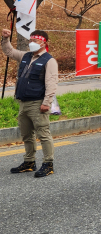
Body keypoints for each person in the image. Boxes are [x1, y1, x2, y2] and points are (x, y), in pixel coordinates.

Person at [2, 29, 58, 177]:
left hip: (37, 102)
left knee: (43, 134)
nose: (32, 43)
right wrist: (5, 39)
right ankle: (29, 162)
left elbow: (51, 83)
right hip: (23, 102)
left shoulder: (49, 60)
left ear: (44, 43)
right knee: (27, 134)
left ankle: (48, 164)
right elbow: (9, 52)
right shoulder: (26, 56)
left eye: (36, 41)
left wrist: (47, 102)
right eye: (31, 40)